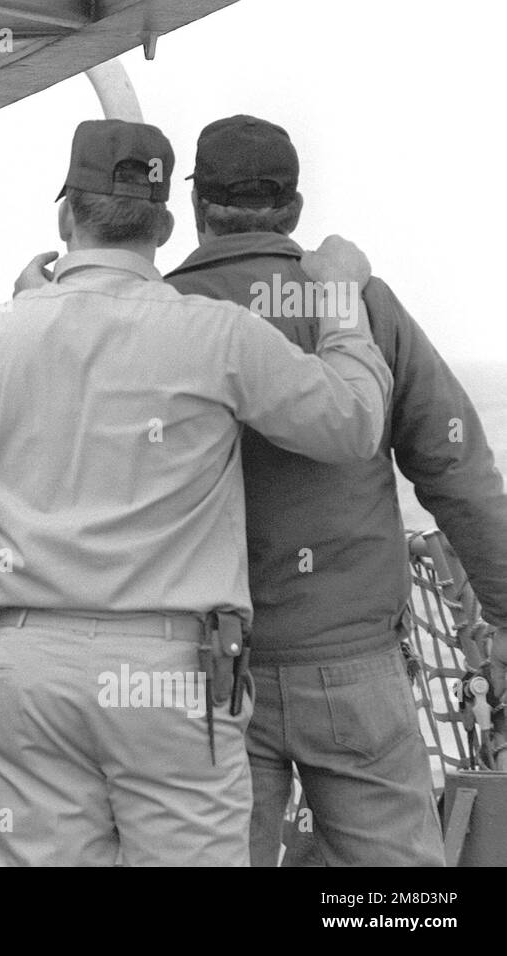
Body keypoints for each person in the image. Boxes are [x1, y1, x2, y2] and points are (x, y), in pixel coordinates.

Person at [0, 118, 393, 866]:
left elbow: (35, 470)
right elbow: (353, 422)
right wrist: (341, 303)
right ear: (165, 224)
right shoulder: (217, 337)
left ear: (66, 215)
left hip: (26, 670)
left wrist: (36, 302)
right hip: (164, 676)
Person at [152, 115, 507, 866]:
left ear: (197, 208)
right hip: (353, 667)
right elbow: (457, 470)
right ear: (296, 209)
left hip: (204, 674)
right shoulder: (364, 304)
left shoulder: (155, 314)